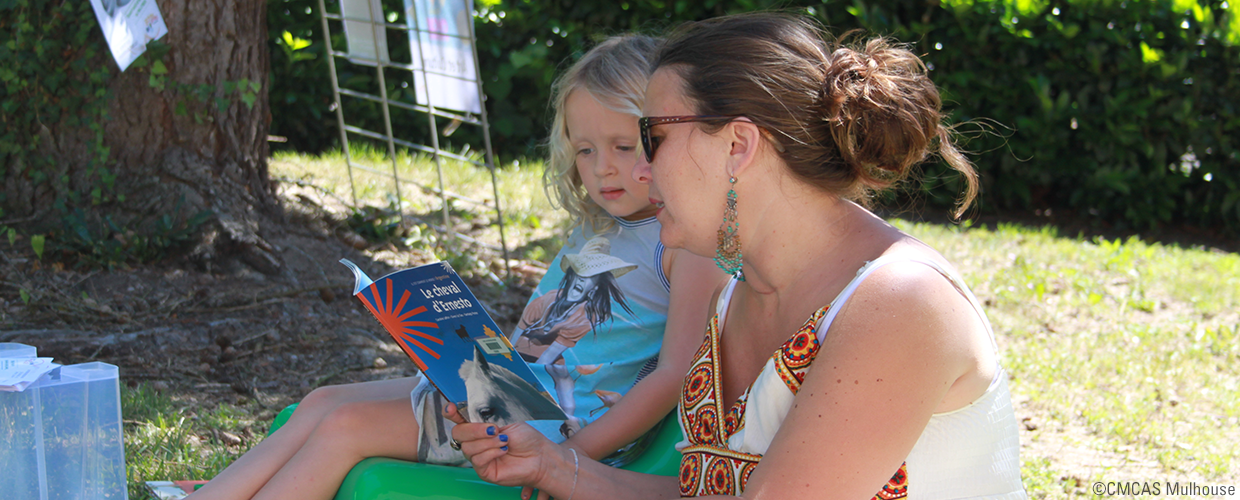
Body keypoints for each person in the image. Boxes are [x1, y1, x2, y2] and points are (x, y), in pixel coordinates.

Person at [449, 13, 1028, 499]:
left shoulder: (900, 304)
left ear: (738, 146)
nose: (643, 169)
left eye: (653, 137)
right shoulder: (737, 295)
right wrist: (554, 466)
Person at [187, 34, 723, 500]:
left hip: (549, 431)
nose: (601, 167)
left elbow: (677, 375)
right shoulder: (602, 225)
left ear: (665, 137)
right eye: (584, 150)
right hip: (506, 396)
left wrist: (570, 458)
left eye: (624, 146)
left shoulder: (684, 243)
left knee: (345, 426)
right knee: (323, 400)